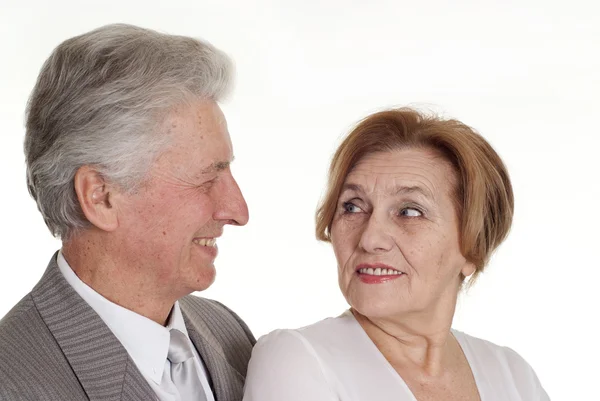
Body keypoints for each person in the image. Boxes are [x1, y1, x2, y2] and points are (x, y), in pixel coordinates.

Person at [0, 24, 254, 401]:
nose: (238, 210)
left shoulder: (228, 333)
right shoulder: (12, 382)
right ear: (100, 197)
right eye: (206, 177)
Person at [243, 108, 550, 400]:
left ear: (473, 246)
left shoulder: (513, 376)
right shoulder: (298, 361)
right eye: (352, 206)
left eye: (409, 211)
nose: (370, 238)